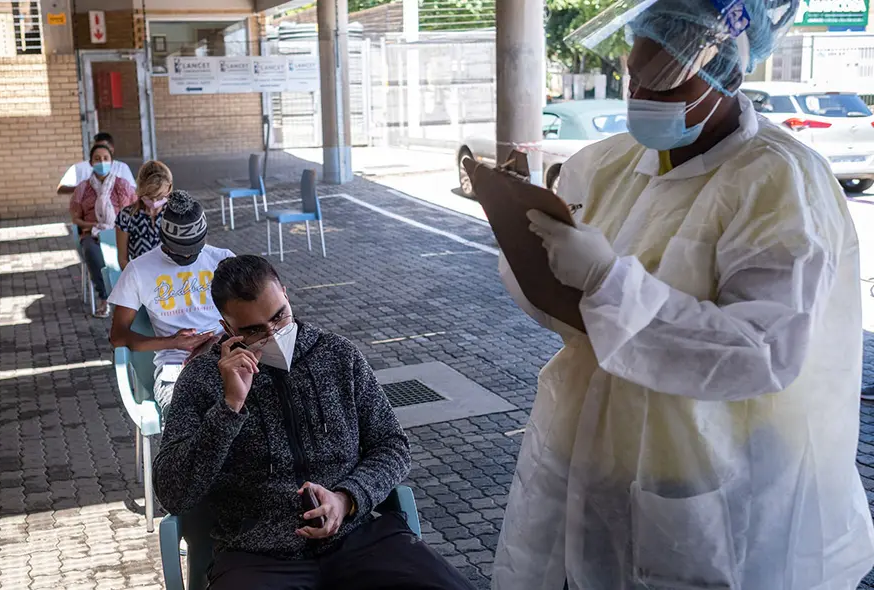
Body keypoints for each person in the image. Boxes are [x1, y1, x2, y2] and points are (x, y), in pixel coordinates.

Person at [492, 0, 874, 588]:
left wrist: (607, 283)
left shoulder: (780, 182)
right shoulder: (605, 164)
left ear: (728, 75)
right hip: (590, 456)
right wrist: (525, 249)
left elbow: (761, 351)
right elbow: (563, 315)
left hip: (715, 475)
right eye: (634, 76)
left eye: (667, 84)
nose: (642, 95)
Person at [153, 254, 475, 590]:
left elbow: (392, 446)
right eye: (253, 330)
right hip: (257, 556)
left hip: (358, 538)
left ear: (287, 296)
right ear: (227, 329)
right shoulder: (203, 379)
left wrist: (347, 498)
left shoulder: (338, 356)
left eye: (279, 317)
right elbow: (173, 493)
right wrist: (230, 407)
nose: (273, 334)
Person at [108, 191, 232, 417]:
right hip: (175, 369)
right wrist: (173, 342)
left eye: (194, 250)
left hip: (227, 357)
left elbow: (249, 318)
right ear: (163, 238)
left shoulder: (222, 259)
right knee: (185, 418)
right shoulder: (138, 270)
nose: (187, 258)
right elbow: (118, 336)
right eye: (180, 251)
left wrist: (219, 340)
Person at [69, 143, 136, 318]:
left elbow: (135, 210)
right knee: (91, 251)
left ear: (111, 162)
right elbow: (75, 218)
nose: (101, 162)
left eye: (105, 158)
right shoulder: (82, 188)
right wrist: (91, 226)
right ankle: (104, 298)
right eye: (97, 159)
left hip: (120, 232)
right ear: (90, 163)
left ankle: (130, 296)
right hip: (93, 233)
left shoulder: (123, 185)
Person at [115, 160, 172, 270]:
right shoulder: (126, 216)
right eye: (149, 196)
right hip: (140, 277)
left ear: (169, 188)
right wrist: (139, 279)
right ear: (140, 190)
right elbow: (123, 259)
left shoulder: (176, 215)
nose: (154, 201)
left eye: (160, 197)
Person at [56, 132, 135, 195]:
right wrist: (83, 189)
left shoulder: (122, 167)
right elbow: (61, 189)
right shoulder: (78, 168)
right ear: (91, 163)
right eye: (96, 148)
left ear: (111, 150)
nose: (102, 161)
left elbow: (133, 190)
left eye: (104, 149)